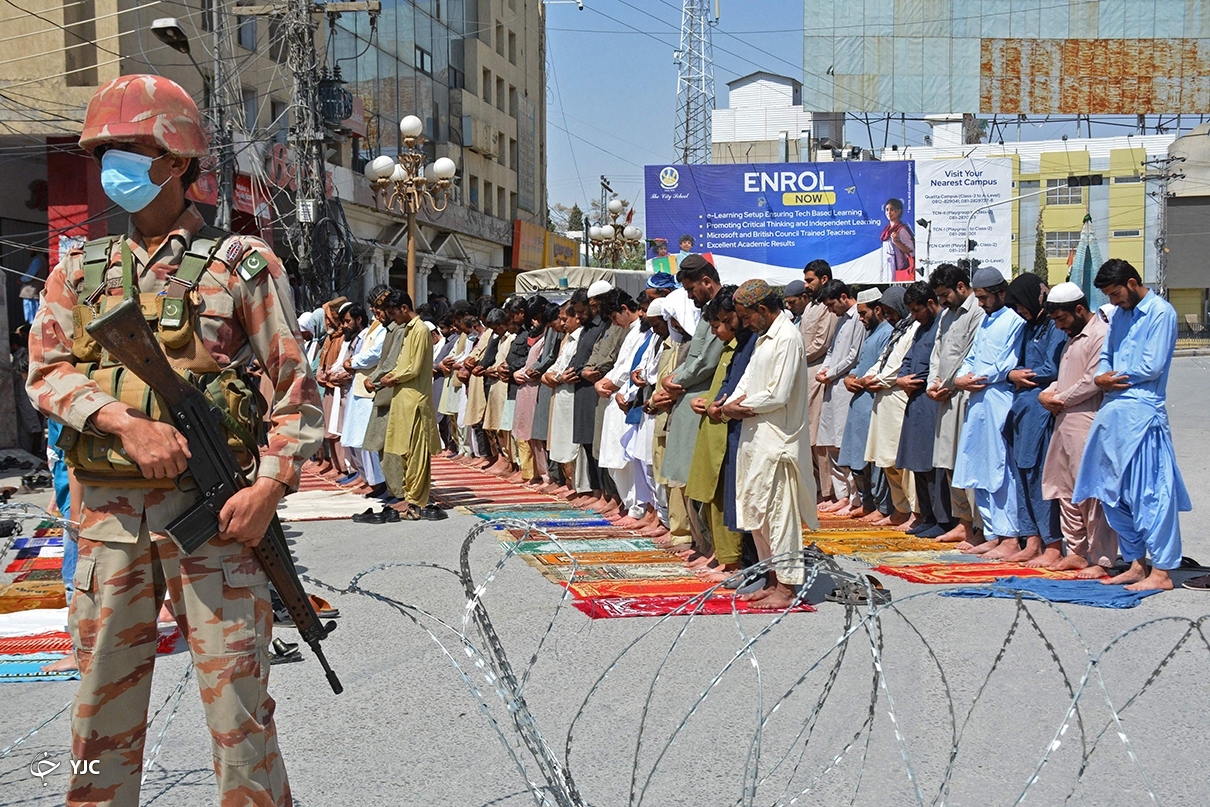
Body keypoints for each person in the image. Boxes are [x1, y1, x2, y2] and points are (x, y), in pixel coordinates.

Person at [26, 74, 322, 805]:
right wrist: (122, 421)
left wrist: (267, 488)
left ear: (178, 159)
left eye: (130, 148)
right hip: (109, 528)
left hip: (216, 528)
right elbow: (45, 372)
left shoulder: (242, 266)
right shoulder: (78, 272)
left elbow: (296, 394)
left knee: (241, 723)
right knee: (97, 728)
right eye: (105, 151)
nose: (112, 166)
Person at [1074, 259, 1190, 591]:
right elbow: (1107, 356)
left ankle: (1163, 571)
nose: (1113, 302)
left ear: (1131, 281)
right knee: (1113, 494)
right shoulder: (1120, 316)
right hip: (1112, 416)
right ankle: (1137, 562)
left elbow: (1151, 365)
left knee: (1150, 493)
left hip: (1142, 415)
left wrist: (1112, 378)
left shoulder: (1160, 312)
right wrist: (1101, 376)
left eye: (1115, 293)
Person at [723, 280, 816, 609]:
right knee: (758, 515)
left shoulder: (788, 338)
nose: (744, 323)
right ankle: (772, 579)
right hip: (755, 438)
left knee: (779, 515)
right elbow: (748, 380)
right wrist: (728, 404)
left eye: (747, 316)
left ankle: (789, 588)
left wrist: (738, 408)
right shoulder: (764, 338)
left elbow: (777, 393)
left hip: (778, 441)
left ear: (763, 310)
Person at [1038, 282, 1116, 579]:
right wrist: (1046, 394)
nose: (1059, 326)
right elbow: (1063, 379)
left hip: (1087, 421)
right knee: (1065, 490)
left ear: (1080, 309)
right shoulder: (1072, 337)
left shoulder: (1099, 335)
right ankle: (1077, 553)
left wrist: (1059, 399)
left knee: (1091, 494)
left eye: (1062, 319)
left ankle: (1102, 558)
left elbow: (1093, 380)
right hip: (1063, 421)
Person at [951, 266, 1026, 558]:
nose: (980, 303)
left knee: (1000, 469)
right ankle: (992, 534)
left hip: (998, 400)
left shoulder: (1014, 321)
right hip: (977, 400)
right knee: (978, 467)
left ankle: (1009, 536)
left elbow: (1008, 362)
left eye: (984, 297)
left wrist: (979, 378)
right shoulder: (986, 321)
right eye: (978, 298)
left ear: (1001, 293)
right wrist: (961, 376)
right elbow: (970, 356)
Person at [656, 255, 724, 556]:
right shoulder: (708, 312)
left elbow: (705, 362)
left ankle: (710, 549)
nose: (689, 295)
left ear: (706, 282)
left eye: (691, 289)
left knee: (699, 483)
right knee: (684, 480)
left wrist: (676, 379)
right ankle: (700, 544)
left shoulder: (720, 312)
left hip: (700, 401)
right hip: (688, 402)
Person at [1003, 273, 1067, 565]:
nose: (1020, 311)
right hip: (1021, 410)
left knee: (1039, 477)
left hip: (1040, 411)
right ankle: (1031, 539)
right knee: (1021, 476)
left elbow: (1051, 368)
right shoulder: (1029, 328)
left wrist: (1021, 375)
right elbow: (1015, 363)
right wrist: (1010, 374)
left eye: (1021, 305)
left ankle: (1052, 543)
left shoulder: (1053, 326)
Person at [925, 263, 985, 547]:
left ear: (962, 287)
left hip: (965, 395)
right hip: (945, 396)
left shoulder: (977, 312)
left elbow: (970, 355)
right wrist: (932, 383)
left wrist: (947, 384)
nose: (942, 300)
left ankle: (980, 528)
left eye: (945, 294)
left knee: (968, 463)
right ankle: (963, 523)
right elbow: (938, 352)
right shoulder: (946, 316)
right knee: (949, 463)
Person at [380, 289, 445, 521]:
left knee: (417, 454)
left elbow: (414, 368)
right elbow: (401, 363)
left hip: (415, 400)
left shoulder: (420, 330)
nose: (392, 318)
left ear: (404, 309)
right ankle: (410, 498)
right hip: (403, 399)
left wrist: (392, 378)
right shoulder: (408, 331)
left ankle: (416, 503)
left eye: (393, 313)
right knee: (405, 453)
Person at [863, 286, 920, 527]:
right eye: (884, 313)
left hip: (896, 396)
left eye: (890, 312)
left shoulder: (913, 328)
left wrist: (879, 380)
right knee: (886, 460)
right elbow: (882, 360)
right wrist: (869, 376)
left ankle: (915, 511)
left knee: (902, 461)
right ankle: (899, 509)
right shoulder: (898, 330)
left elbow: (896, 366)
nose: (888, 317)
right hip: (882, 398)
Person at [895, 282, 947, 536]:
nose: (914, 316)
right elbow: (908, 359)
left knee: (933, 463)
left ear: (930, 303)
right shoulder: (919, 330)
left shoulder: (941, 326)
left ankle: (942, 519)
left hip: (930, 398)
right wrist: (902, 378)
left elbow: (937, 364)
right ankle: (926, 515)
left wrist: (916, 379)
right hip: (914, 400)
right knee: (917, 461)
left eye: (917, 310)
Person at [836, 288, 891, 518]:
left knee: (873, 462)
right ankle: (868, 502)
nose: (860, 318)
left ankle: (881, 506)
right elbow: (860, 365)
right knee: (856, 460)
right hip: (859, 404)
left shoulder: (886, 333)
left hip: (872, 405)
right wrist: (849, 378)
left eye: (863, 313)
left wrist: (860, 379)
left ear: (877, 310)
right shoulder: (872, 333)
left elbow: (878, 370)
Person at [815, 279, 865, 512]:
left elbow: (854, 355)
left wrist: (832, 373)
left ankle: (855, 496)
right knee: (829, 442)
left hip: (844, 385)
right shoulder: (841, 320)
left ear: (844, 298)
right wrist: (824, 370)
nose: (831, 309)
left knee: (844, 442)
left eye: (832, 303)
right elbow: (833, 351)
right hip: (831, 385)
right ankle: (841, 494)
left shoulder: (858, 318)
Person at [799, 261, 839, 499]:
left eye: (810, 280)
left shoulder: (827, 307)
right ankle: (816, 489)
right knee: (807, 437)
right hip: (804, 374)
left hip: (819, 373)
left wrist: (794, 355)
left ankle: (829, 491)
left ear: (823, 279)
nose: (806, 285)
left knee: (819, 438)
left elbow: (822, 343)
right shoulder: (810, 307)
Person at [880, 198, 915, 282]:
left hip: (900, 271)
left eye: (892, 209)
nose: (889, 212)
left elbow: (912, 252)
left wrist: (896, 242)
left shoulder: (901, 230)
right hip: (889, 270)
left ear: (899, 211)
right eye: (887, 210)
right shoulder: (887, 230)